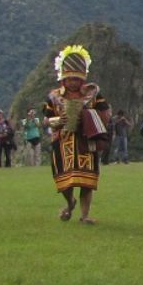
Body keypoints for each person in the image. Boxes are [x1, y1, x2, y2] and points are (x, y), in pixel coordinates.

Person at [43, 45, 110, 223]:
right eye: (70, 78)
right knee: (65, 179)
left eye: (76, 78)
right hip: (62, 141)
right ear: (63, 77)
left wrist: (87, 117)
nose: (73, 82)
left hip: (86, 142)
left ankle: (85, 215)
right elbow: (46, 119)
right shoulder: (54, 97)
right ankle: (69, 201)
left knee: (86, 181)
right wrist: (59, 121)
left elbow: (104, 113)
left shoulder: (93, 94)